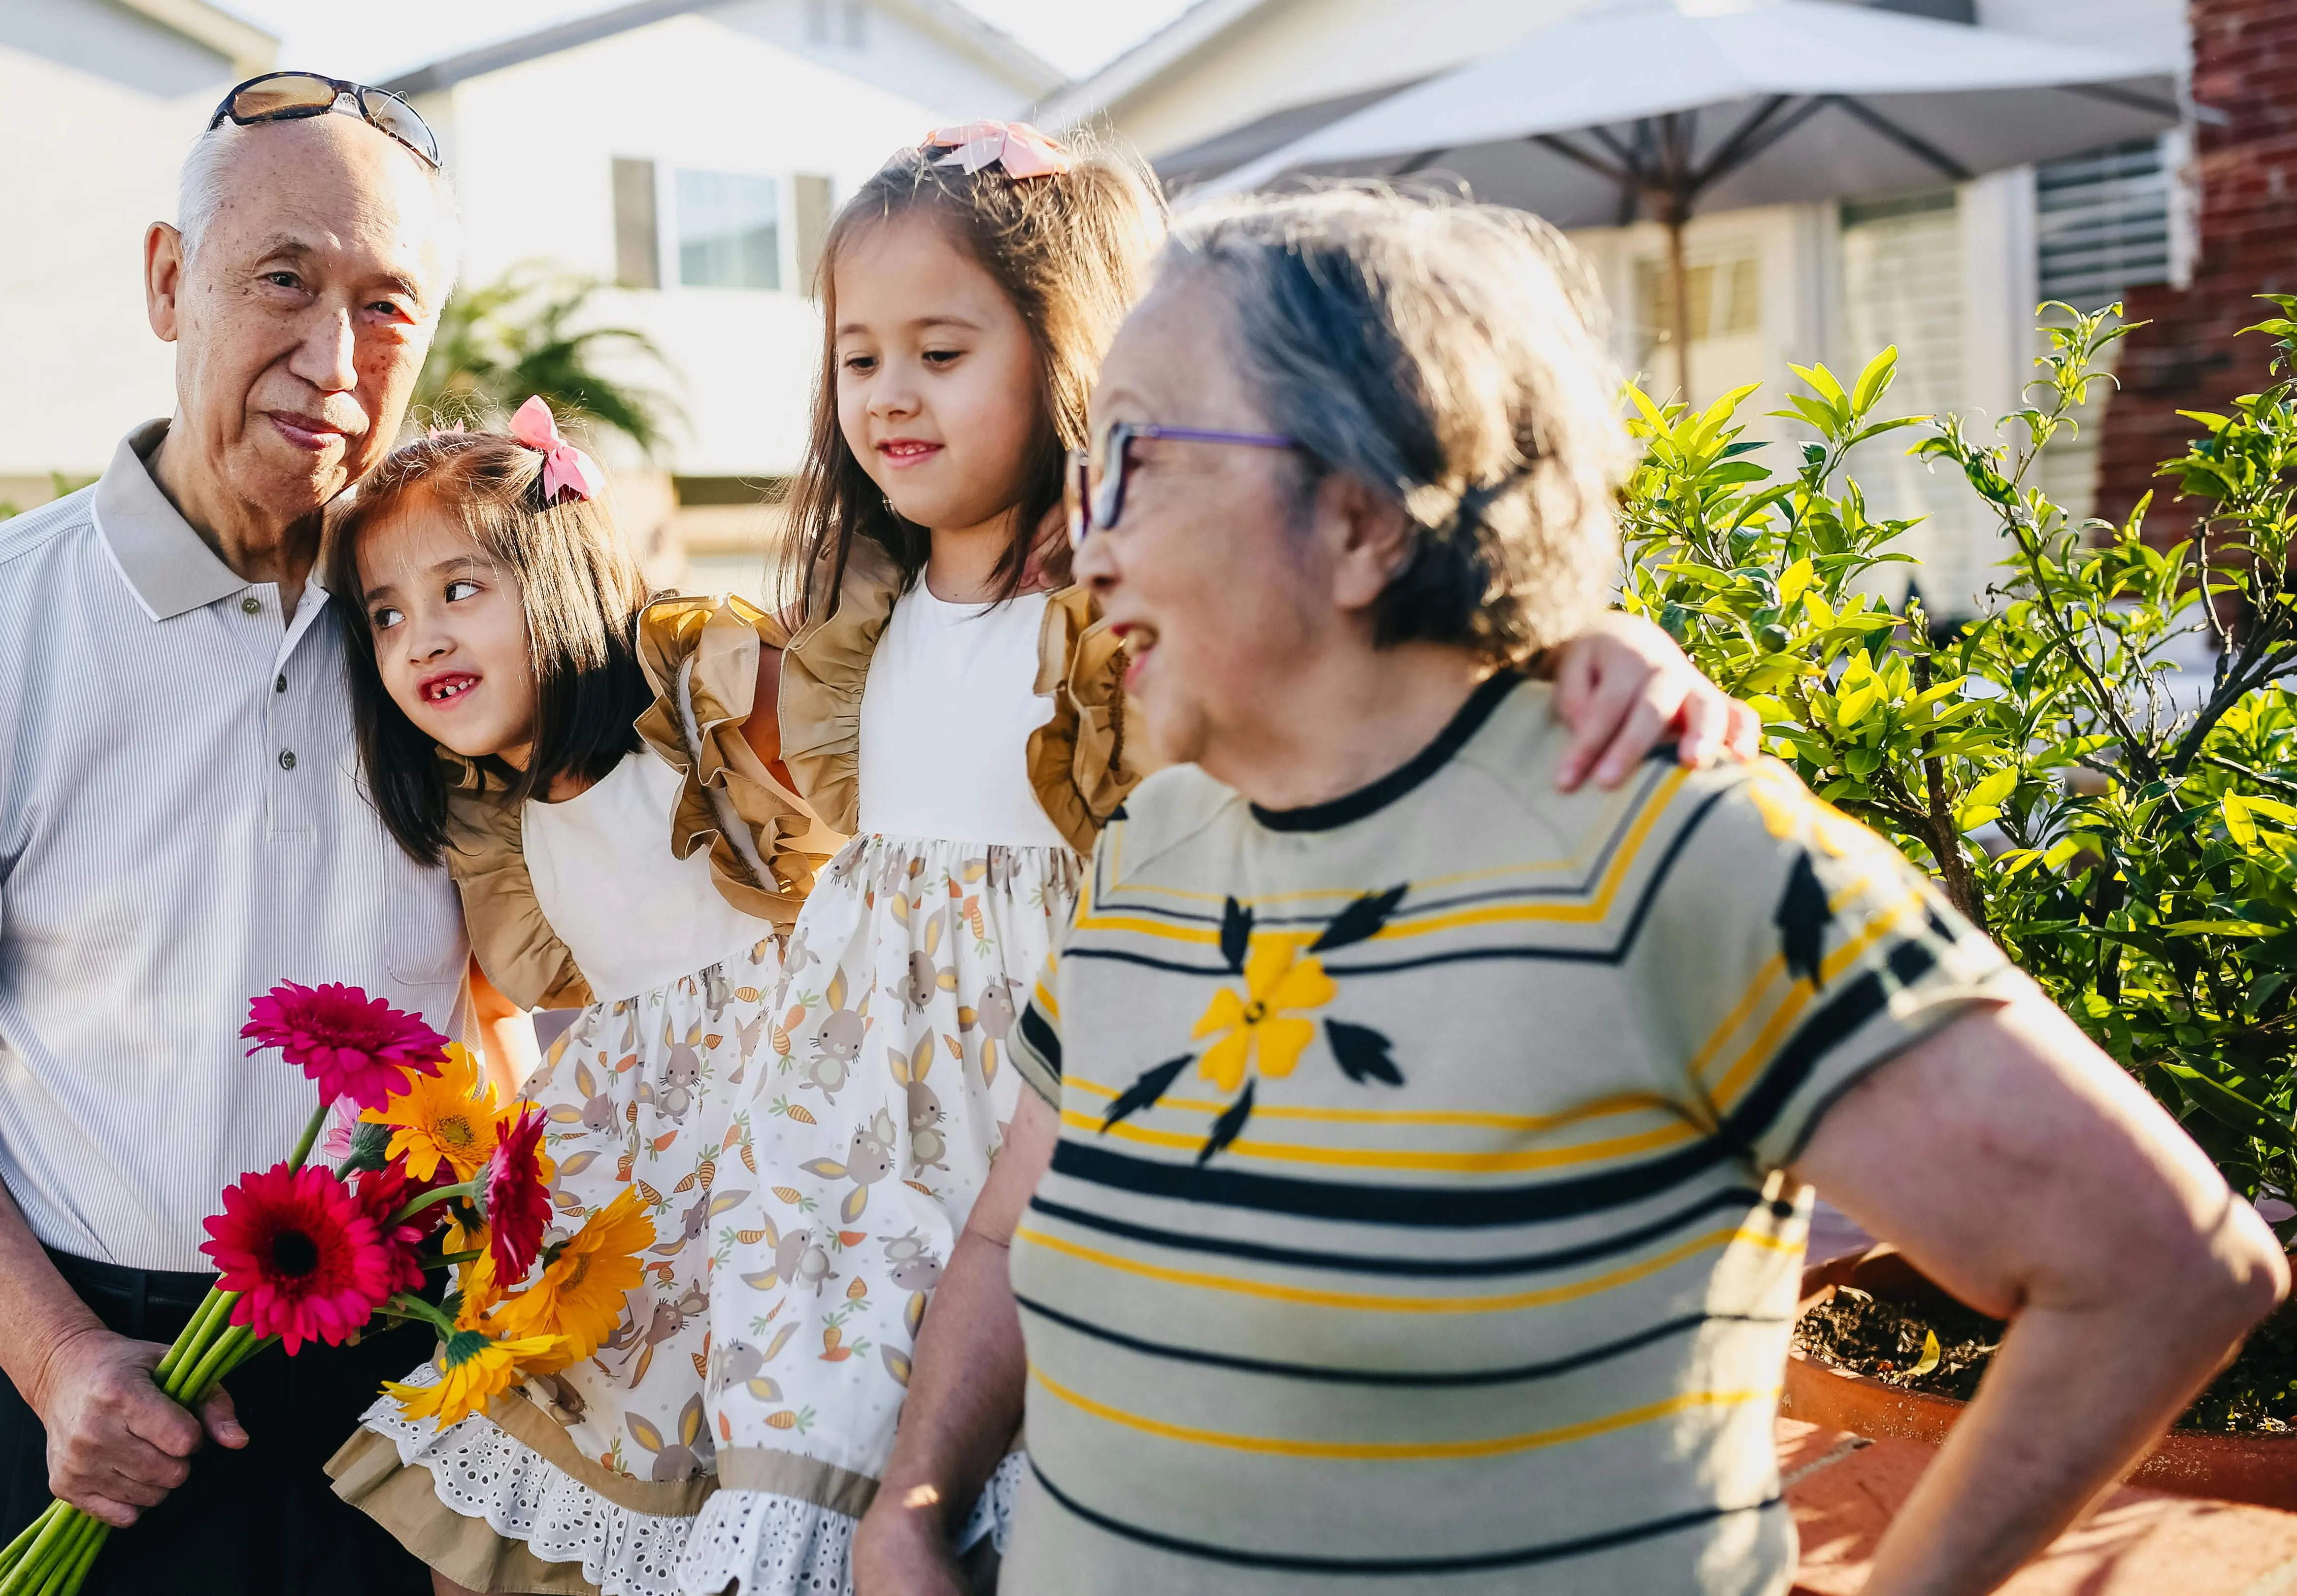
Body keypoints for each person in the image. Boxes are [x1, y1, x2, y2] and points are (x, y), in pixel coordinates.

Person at [857, 185, 2292, 1596]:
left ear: (1363, 515)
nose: (1083, 541)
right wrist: (911, 1513)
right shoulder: (1152, 849)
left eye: (1135, 462)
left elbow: (2157, 1266)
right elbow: (1007, 1231)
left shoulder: (1669, 851)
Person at [708, 127, 1763, 1596]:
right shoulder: (854, 620)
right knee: (836, 1481)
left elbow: (1390, 664)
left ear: (1069, 355)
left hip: (1055, 1084)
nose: (889, 393)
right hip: (858, 1138)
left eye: (942, 350)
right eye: (859, 356)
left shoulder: (1126, 603)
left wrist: (1604, 640)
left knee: (1047, 1468)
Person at [0, 73, 531, 1595]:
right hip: (82, 1393)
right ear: (169, 284)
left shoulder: (465, 628)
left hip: (403, 1391)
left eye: (389, 307)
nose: (334, 358)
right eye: (284, 280)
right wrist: (60, 1364)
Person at [309, 410, 840, 1596]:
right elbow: (528, 987)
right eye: (386, 615)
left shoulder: (695, 713)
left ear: (558, 573)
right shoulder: (502, 820)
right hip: (620, 1200)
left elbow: (845, 801)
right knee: (507, 1529)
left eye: (461, 589)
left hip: (784, 1168)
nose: (419, 638)